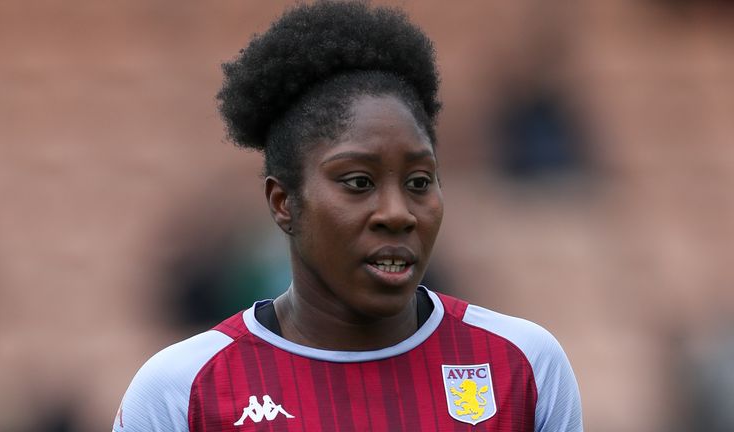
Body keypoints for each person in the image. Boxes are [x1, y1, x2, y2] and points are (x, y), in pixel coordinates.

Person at [113, 1, 583, 431]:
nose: (397, 213)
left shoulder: (525, 366)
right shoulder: (182, 390)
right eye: (358, 182)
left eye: (420, 182)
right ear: (283, 203)